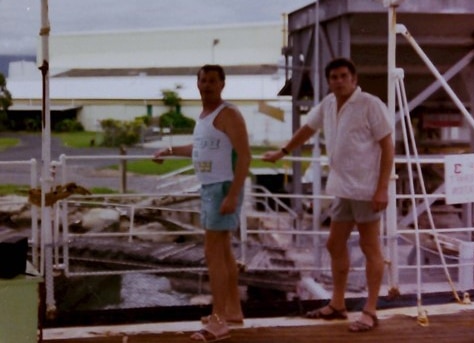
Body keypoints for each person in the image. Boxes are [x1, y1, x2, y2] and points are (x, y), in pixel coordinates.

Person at [262, 57, 394, 333]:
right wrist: (282, 152)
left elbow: (387, 146)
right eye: (333, 77)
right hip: (341, 189)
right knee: (335, 245)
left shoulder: (370, 104)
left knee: (371, 248)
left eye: (343, 76)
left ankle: (370, 310)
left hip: (367, 189)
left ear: (354, 79)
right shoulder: (328, 104)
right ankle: (337, 304)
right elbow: (307, 129)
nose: (338, 81)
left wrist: (382, 188)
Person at [153, 64, 251, 342]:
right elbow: (198, 149)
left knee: (214, 253)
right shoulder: (205, 116)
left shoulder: (229, 114)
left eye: (212, 81)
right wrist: (169, 150)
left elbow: (245, 156)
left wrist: (233, 194)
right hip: (210, 188)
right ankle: (232, 311)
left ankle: (218, 320)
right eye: (203, 81)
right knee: (224, 253)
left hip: (222, 188)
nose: (207, 85)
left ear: (222, 84)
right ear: (197, 84)